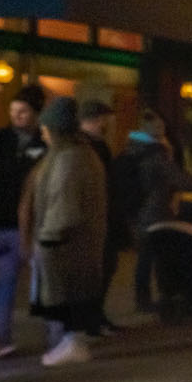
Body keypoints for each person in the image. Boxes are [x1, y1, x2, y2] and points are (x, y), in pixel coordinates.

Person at [21, 96, 109, 366]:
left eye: (46, 128)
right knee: (68, 295)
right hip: (75, 242)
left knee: (66, 295)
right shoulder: (76, 155)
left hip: (67, 244)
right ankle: (68, 342)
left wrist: (47, 238)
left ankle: (71, 344)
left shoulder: (69, 159)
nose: (43, 133)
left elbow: (65, 205)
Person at [0, 81, 47, 359]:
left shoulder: (44, 140)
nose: (17, 116)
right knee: (4, 279)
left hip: (38, 223)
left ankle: (58, 337)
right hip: (3, 222)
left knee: (45, 283)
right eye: (14, 110)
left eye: (24, 112)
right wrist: (22, 170)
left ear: (36, 114)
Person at [116, 110, 190, 312]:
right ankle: (157, 297)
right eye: (159, 127)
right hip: (154, 211)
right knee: (155, 254)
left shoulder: (133, 149)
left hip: (138, 210)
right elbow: (177, 178)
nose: (162, 131)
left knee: (146, 255)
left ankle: (144, 298)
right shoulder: (156, 153)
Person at [77, 101, 122, 330]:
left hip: (104, 215)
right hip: (94, 218)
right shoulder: (84, 147)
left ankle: (96, 315)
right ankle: (90, 318)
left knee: (105, 267)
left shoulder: (97, 145)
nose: (107, 124)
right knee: (96, 270)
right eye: (105, 119)